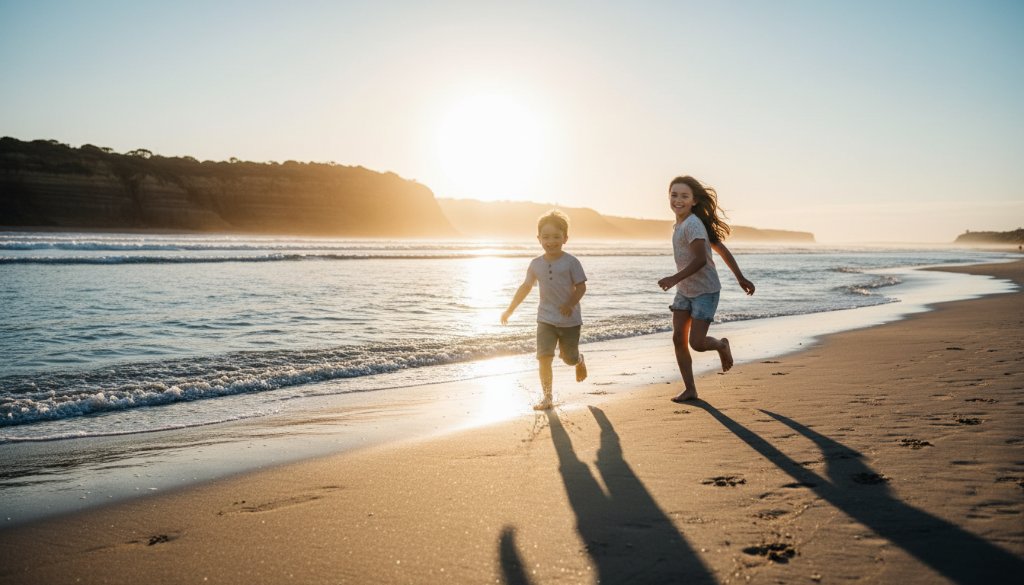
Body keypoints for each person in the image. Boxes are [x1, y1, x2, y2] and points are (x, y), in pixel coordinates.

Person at [657, 176, 755, 403]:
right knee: (677, 339)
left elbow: (701, 260)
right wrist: (740, 277)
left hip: (705, 292)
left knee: (697, 344)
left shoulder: (692, 224)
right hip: (684, 290)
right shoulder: (680, 224)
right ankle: (690, 389)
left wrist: (673, 278)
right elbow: (721, 249)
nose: (678, 200)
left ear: (694, 201)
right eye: (674, 195)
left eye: (684, 196)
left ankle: (721, 345)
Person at [501, 210, 588, 410]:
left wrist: (570, 303)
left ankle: (579, 360)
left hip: (570, 321)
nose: (551, 241)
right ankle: (547, 397)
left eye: (556, 237)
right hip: (545, 319)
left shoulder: (571, 262)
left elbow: (581, 287)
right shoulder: (535, 264)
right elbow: (525, 287)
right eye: (546, 237)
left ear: (565, 238)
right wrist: (510, 310)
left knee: (569, 358)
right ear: (538, 238)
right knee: (544, 357)